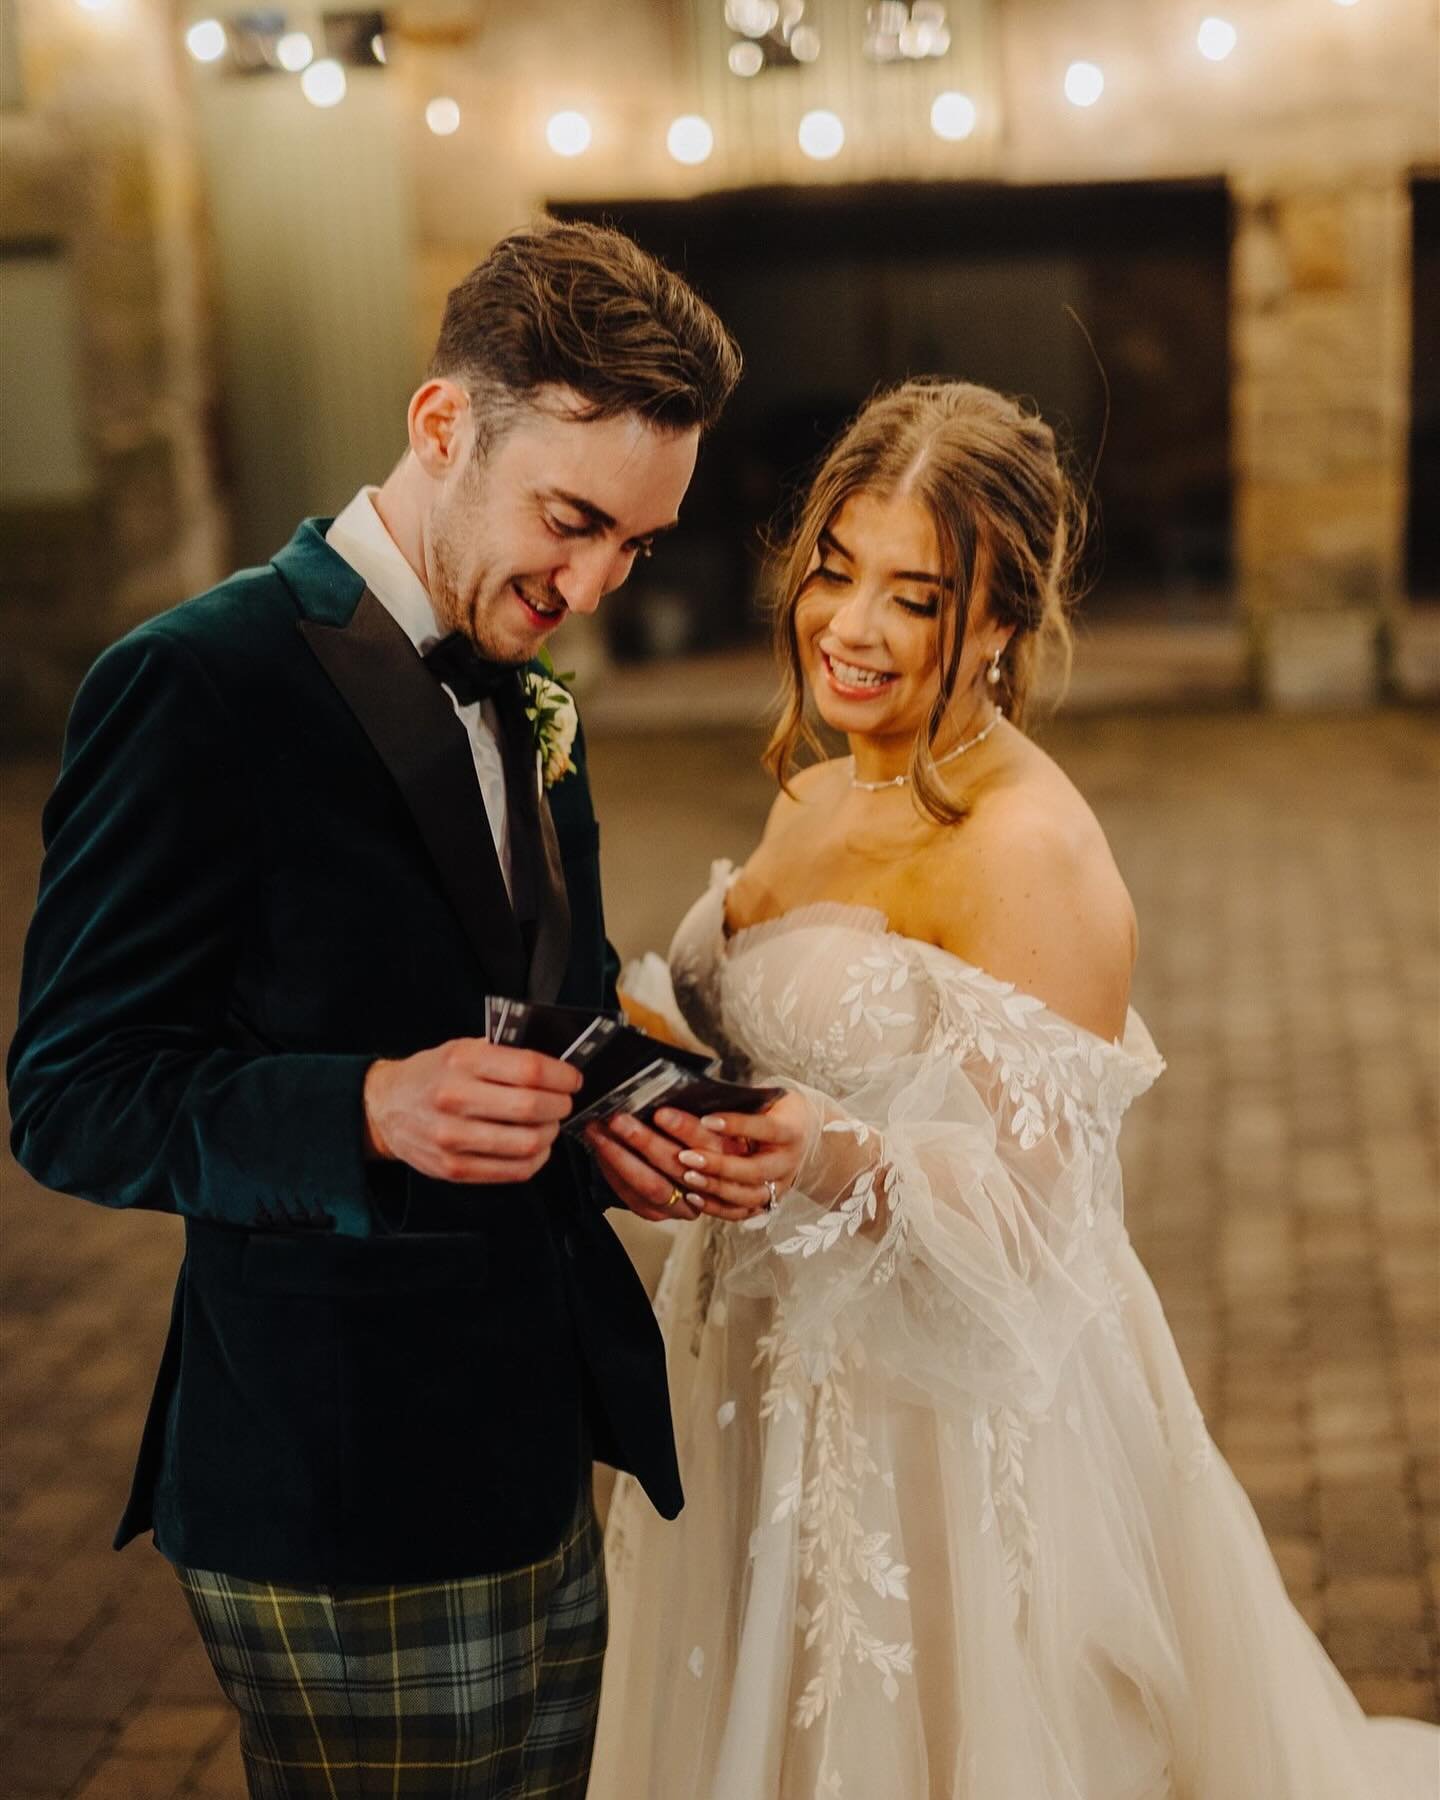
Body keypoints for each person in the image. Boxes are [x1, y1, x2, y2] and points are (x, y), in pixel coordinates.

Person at [6, 219, 776, 1799]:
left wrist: (627, 1115)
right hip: (337, 1470)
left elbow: (535, 994)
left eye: (635, 544)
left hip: (533, 1434)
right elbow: (74, 1092)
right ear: (442, 427)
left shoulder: (523, 670)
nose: (595, 583)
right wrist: (361, 1106)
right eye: (572, 522)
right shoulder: (197, 684)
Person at [585, 379, 1440, 1797]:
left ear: (998, 623)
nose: (849, 629)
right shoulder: (821, 786)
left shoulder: (1025, 851)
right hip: (753, 1382)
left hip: (927, 1433)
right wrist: (643, 1035)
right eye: (834, 572)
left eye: (914, 599)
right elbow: (756, 1023)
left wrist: (826, 1154)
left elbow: (1049, 1217)